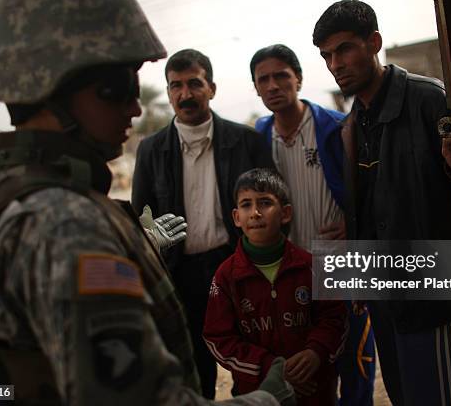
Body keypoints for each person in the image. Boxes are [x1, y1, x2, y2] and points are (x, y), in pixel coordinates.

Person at [0, 0, 294, 405]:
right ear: (54, 89)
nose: (135, 107)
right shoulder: (67, 225)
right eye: (120, 88)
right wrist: (269, 399)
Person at [312, 0, 451, 405]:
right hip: (383, 297)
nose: (336, 64)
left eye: (344, 49)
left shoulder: (427, 100)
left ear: (374, 43)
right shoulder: (353, 123)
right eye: (326, 55)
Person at [132, 49, 275, 399]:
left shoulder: (246, 141)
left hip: (238, 271)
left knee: (257, 364)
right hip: (180, 276)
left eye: (194, 83)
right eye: (175, 86)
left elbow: (271, 210)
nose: (185, 94)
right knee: (195, 377)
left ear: (211, 88)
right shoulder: (151, 150)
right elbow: (140, 221)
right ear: (168, 94)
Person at [250, 45, 375, 405]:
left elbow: (372, 190)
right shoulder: (258, 137)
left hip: (340, 263)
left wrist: (357, 229)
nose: (273, 85)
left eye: (281, 76)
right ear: (256, 88)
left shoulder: (337, 128)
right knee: (307, 370)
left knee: (356, 361)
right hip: (290, 271)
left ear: (298, 79)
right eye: (264, 80)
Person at [203, 168, 348, 405]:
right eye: (246, 204)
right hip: (258, 394)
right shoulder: (225, 276)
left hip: (315, 390)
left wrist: (316, 352)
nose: (256, 213)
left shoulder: (313, 266)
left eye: (265, 203)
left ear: (286, 213)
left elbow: (336, 319)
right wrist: (270, 368)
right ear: (236, 217)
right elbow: (218, 338)